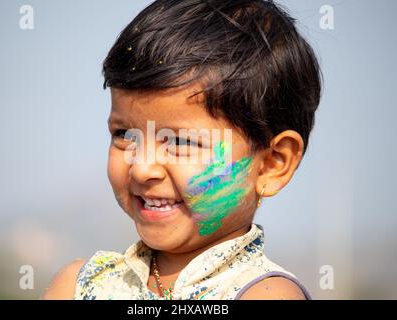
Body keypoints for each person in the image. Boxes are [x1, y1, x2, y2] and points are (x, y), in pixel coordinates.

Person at [42, 0, 321, 300]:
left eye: (181, 142)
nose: (142, 168)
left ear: (271, 164)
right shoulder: (78, 286)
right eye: (125, 134)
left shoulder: (266, 294)